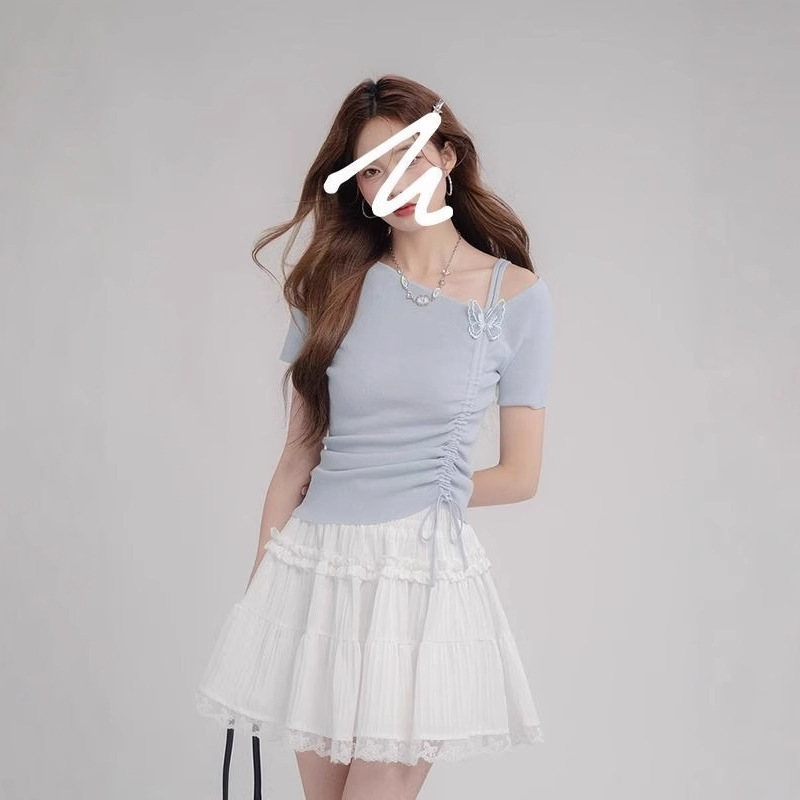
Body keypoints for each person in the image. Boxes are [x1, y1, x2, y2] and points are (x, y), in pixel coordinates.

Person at [195, 74, 554, 800]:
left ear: (448, 156)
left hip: (418, 579)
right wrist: (263, 597)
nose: (395, 184)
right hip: (315, 573)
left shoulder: (515, 297)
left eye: (411, 158)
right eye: (372, 170)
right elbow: (296, 460)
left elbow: (521, 476)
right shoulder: (331, 285)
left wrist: (436, 488)